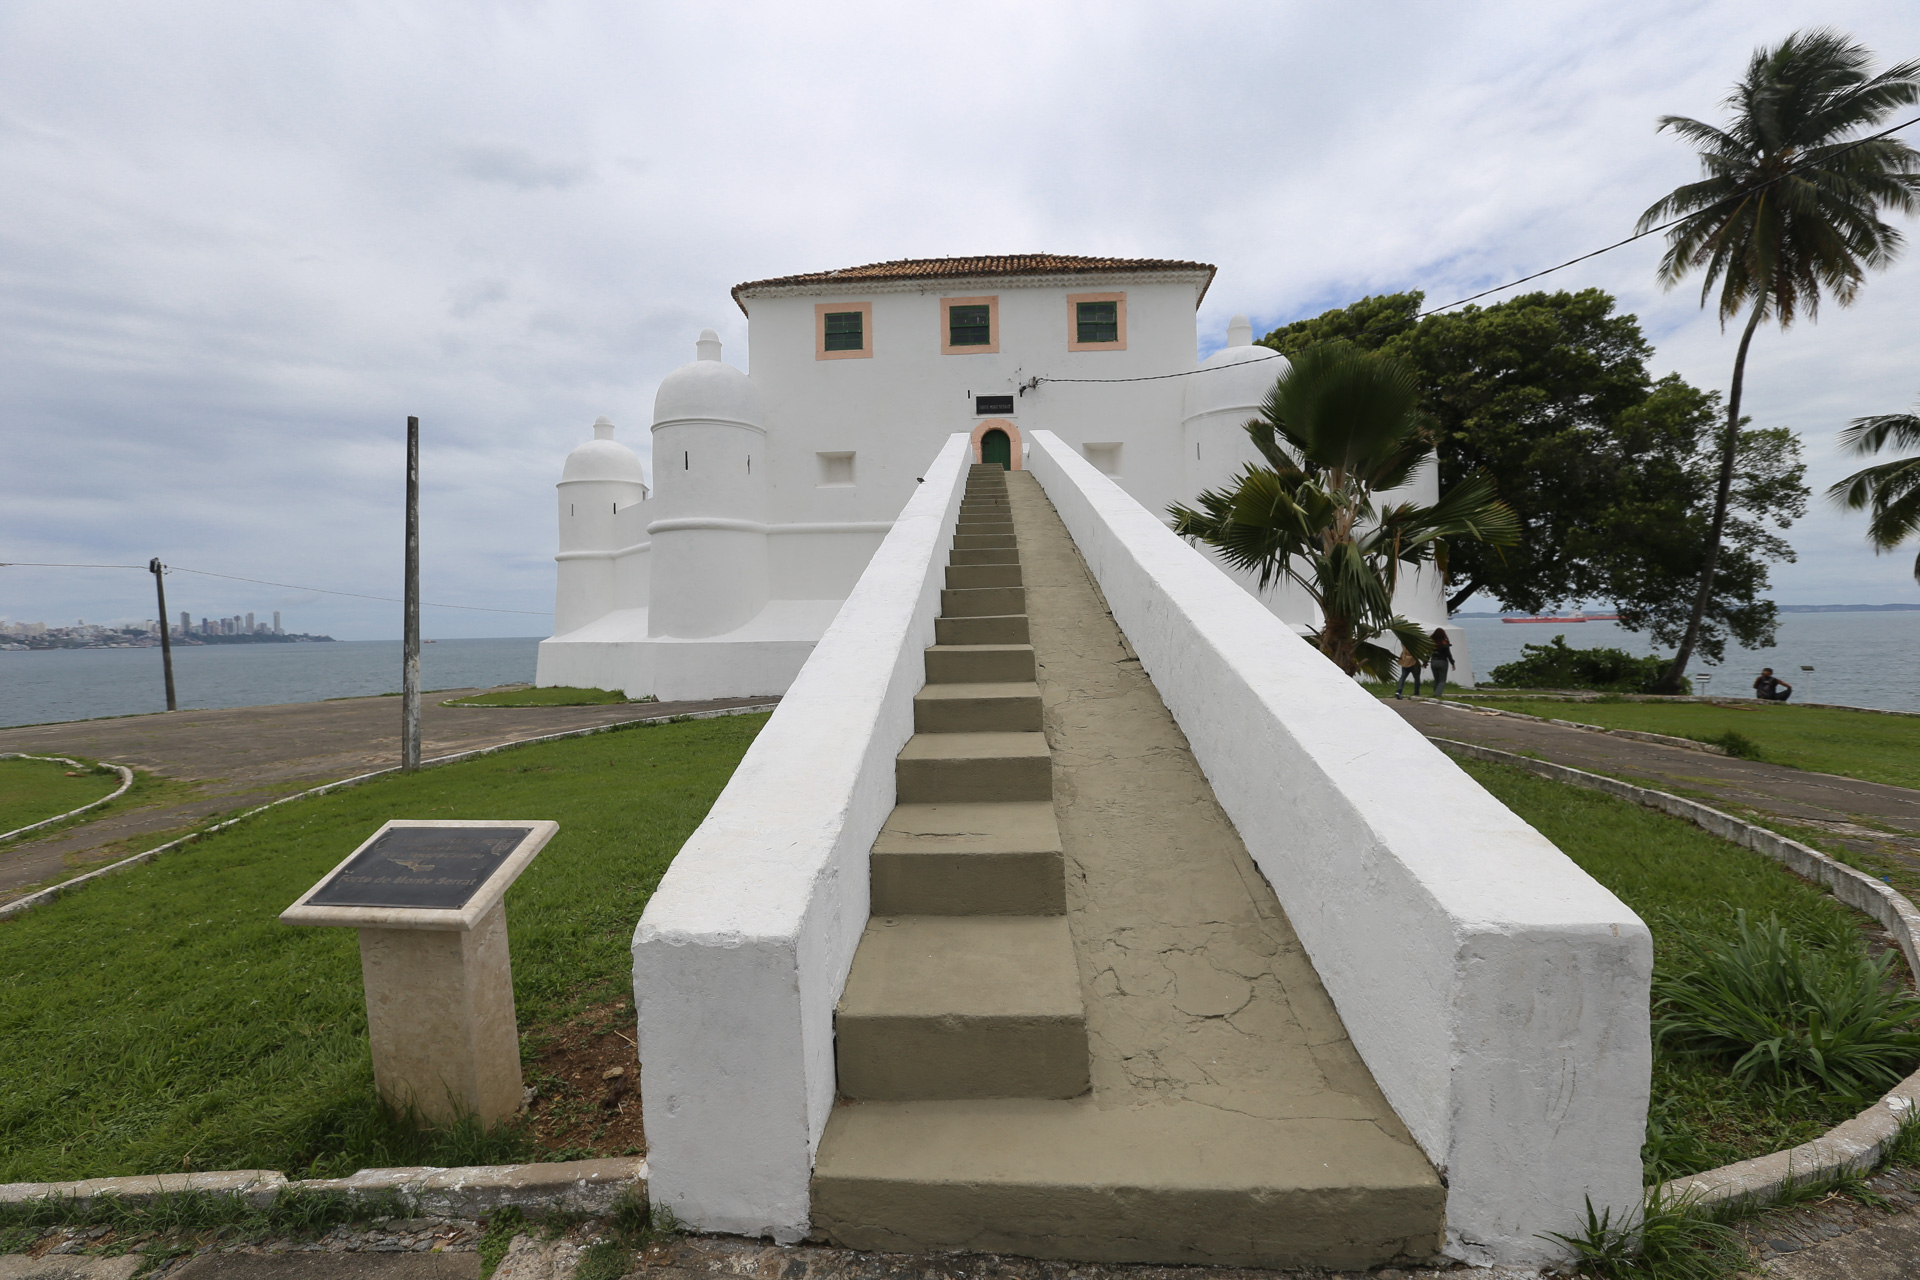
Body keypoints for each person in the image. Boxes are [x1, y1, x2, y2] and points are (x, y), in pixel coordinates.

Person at [1428, 628, 1454, 699]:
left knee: (1436, 680)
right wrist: (1452, 663)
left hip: (1433, 661)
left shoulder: (1432, 643)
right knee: (1442, 681)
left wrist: (1425, 662)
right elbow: (1448, 654)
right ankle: (1437, 694)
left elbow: (1428, 653)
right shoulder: (1444, 643)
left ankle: (1435, 692)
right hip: (1442, 662)